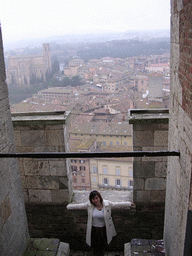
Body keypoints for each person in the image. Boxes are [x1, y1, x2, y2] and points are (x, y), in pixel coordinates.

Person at [66, 190, 135, 256]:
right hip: (94, 230)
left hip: (104, 229)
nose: (95, 200)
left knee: (103, 245)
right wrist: (69, 207)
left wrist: (129, 204)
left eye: (96, 198)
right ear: (91, 200)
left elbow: (116, 204)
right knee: (94, 246)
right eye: (93, 199)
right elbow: (80, 206)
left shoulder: (107, 204)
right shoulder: (89, 205)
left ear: (99, 197)